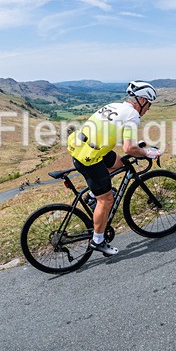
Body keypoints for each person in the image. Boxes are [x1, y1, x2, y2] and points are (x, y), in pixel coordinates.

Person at [66, 81, 160, 256]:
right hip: (90, 158)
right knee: (107, 200)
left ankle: (93, 196)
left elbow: (112, 135)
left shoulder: (115, 105)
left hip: (84, 147)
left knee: (121, 164)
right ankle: (98, 240)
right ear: (141, 100)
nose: (148, 109)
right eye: (148, 104)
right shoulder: (132, 115)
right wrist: (146, 153)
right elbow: (128, 148)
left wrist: (136, 148)